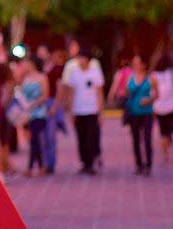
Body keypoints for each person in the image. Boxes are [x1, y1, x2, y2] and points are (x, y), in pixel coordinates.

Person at [60, 40, 106, 174]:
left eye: (84, 58)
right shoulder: (74, 73)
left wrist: (101, 112)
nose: (82, 61)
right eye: (80, 58)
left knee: (91, 137)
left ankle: (91, 163)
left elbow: (99, 93)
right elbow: (71, 92)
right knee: (81, 137)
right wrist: (71, 110)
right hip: (78, 110)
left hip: (91, 110)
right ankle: (84, 162)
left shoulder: (95, 72)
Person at [12, 56, 52, 176]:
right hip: (27, 114)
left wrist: (33, 104)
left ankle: (31, 167)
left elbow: (45, 96)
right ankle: (40, 166)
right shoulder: (25, 78)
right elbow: (16, 87)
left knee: (35, 138)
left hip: (39, 113)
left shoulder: (42, 77)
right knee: (34, 140)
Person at [124, 54, 156, 176]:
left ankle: (148, 164)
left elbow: (156, 94)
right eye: (134, 63)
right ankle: (139, 165)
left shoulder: (151, 78)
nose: (135, 65)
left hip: (147, 112)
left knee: (147, 139)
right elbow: (126, 93)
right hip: (133, 113)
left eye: (137, 63)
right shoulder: (130, 78)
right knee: (136, 139)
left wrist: (149, 100)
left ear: (143, 65)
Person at [151, 54, 173, 166]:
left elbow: (154, 93)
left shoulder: (154, 75)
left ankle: (165, 156)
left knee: (163, 132)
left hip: (160, 107)